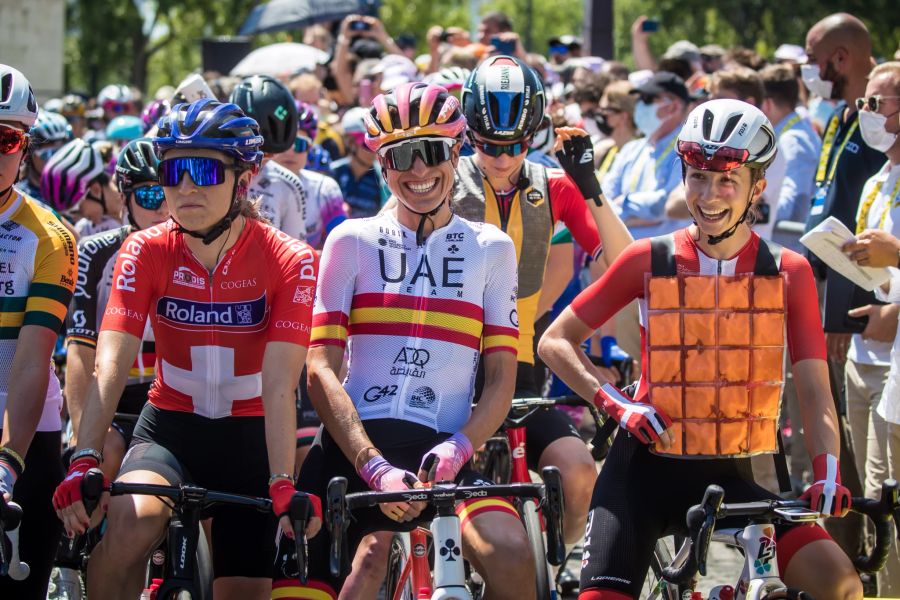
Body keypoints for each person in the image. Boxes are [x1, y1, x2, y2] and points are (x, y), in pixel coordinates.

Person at [539, 99, 863, 600]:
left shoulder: (789, 272)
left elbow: (817, 391)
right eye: (697, 177)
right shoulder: (649, 258)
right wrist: (614, 403)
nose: (709, 195)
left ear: (758, 187)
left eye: (727, 180)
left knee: (838, 583)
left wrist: (827, 472)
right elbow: (555, 341)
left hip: (731, 477)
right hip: (639, 477)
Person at [52, 98, 321, 599]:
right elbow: (109, 364)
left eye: (203, 170)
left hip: (251, 439)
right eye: (173, 171)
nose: (186, 187)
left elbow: (282, 384)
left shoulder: (291, 259)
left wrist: (282, 480)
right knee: (130, 527)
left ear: (244, 179)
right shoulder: (146, 249)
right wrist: (85, 457)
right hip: (172, 427)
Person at [289, 82, 534, 599]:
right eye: (402, 156)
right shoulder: (349, 241)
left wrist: (459, 448)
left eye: (431, 152)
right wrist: (372, 466)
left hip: (442, 450)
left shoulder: (491, 249)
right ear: (383, 165)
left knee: (513, 555)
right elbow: (319, 368)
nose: (418, 170)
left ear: (455, 153)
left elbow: (500, 381)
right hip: (353, 448)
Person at [456, 55, 634, 549]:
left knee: (579, 473)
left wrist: (590, 188)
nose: (501, 158)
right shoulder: (440, 179)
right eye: (488, 144)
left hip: (521, 366)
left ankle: (556, 564)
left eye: (514, 144)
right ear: (469, 133)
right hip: (448, 370)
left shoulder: (553, 186)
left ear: (533, 134)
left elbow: (623, 266)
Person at [0, 64, 77, 600]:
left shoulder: (50, 237)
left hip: (24, 436)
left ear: (25, 147)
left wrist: (6, 465)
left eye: (4, 138)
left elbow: (31, 364)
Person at [64, 139, 169, 480]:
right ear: (124, 198)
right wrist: (85, 442)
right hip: (109, 397)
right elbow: (80, 352)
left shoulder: (195, 251)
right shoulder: (95, 252)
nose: (163, 208)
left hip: (169, 399)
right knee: (101, 462)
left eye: (169, 194)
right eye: (151, 196)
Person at [839, 61, 900, 595]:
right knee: (876, 504)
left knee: (893, 514)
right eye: (864, 104)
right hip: (867, 359)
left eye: (876, 105)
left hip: (892, 361)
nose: (866, 115)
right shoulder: (878, 177)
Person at [230, 75, 308, 242]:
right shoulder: (216, 174)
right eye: (258, 152)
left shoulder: (290, 185)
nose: (261, 161)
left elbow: (297, 256)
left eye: (269, 154)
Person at [270, 101, 347, 249]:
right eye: (285, 143)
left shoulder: (325, 189)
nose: (290, 151)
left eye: (299, 144)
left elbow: (343, 246)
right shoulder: (250, 182)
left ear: (309, 147)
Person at [41, 138, 121, 236]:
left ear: (95, 189)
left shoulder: (140, 200)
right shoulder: (85, 229)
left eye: (77, 210)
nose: (78, 217)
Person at [331, 107, 382, 218]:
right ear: (350, 142)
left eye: (377, 144)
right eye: (367, 144)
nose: (374, 151)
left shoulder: (382, 179)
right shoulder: (333, 173)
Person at [16, 110, 72, 203]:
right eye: (48, 154)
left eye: (64, 153)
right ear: (28, 155)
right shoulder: (19, 198)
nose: (57, 160)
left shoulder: (78, 191)